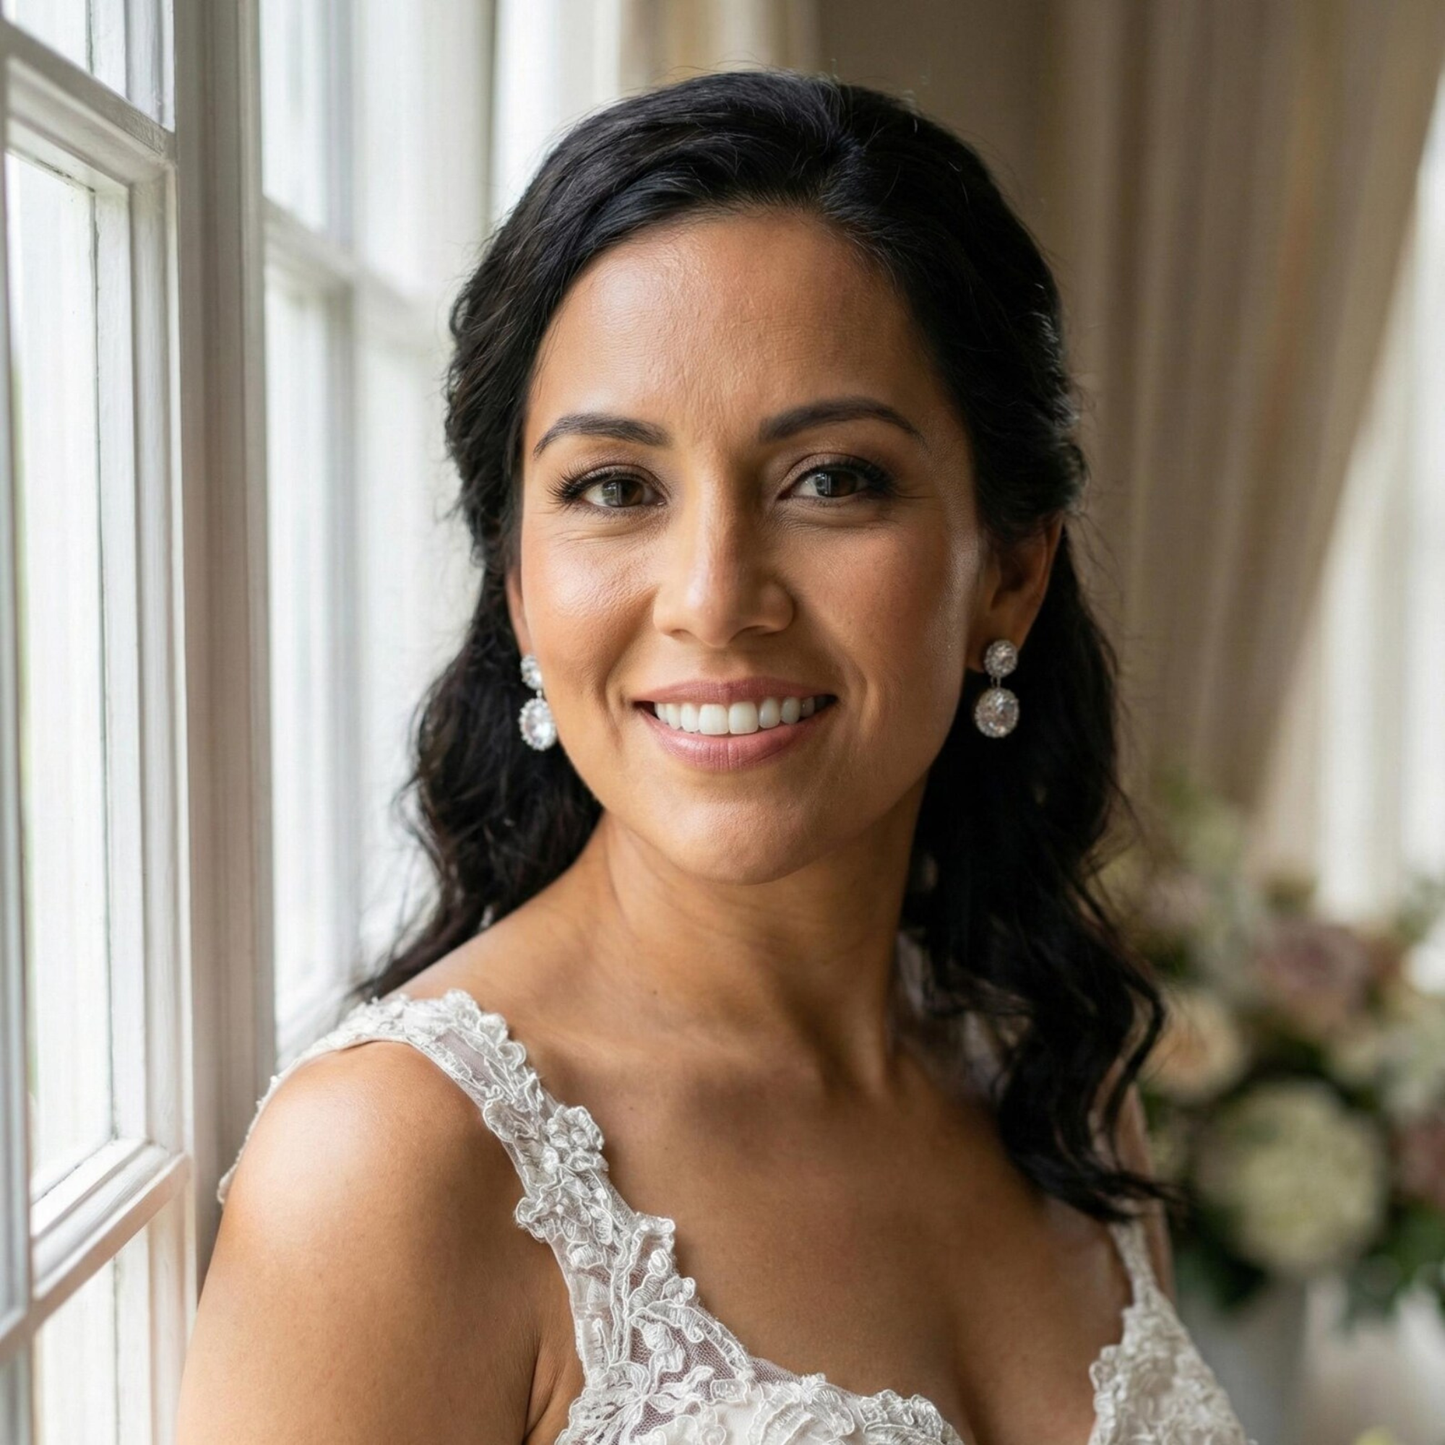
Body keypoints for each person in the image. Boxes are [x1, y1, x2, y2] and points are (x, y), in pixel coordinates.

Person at [177, 69, 1253, 1445]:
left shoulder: (1059, 1083)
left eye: (832, 480)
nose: (712, 594)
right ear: (517, 583)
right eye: (614, 489)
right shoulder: (397, 1166)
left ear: (1013, 570)